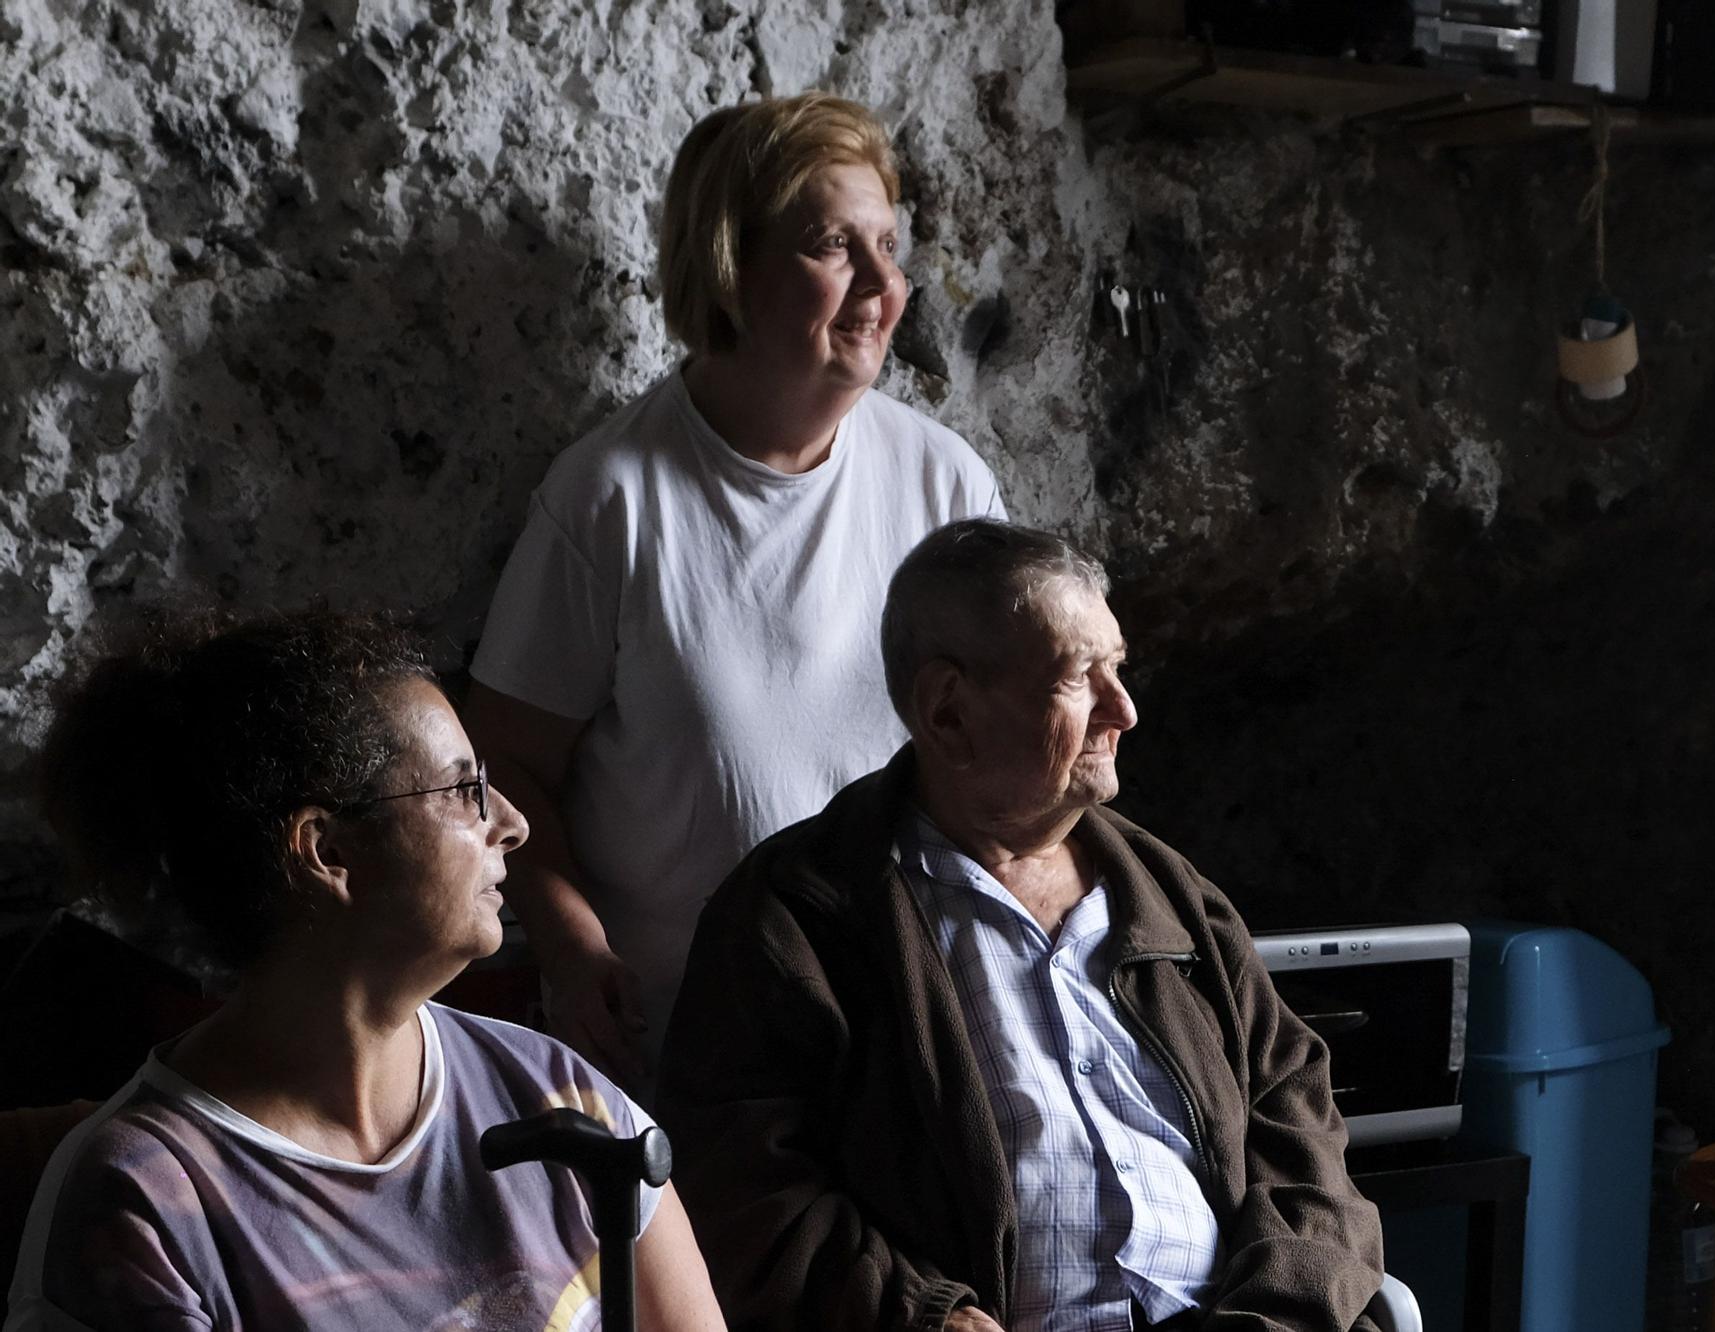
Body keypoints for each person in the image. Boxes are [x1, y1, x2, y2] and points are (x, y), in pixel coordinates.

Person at [658, 519, 1386, 1332]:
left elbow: (1299, 1126)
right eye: (1081, 678)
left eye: (1119, 669)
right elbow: (744, 1190)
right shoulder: (798, 916)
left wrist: (1273, 1316)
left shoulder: (1175, 899)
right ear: (948, 712)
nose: (1126, 711)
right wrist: (925, 1317)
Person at [467, 91, 1005, 1089]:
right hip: (693, 1046)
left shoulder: (944, 484)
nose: (883, 285)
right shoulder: (611, 498)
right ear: (729, 264)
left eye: (888, 244)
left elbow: (1008, 743)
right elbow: (504, 762)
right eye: (831, 245)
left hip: (910, 1028)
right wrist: (574, 949)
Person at [7, 610, 726, 1332]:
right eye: (461, 790)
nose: (512, 823)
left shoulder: (557, 1098)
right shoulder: (145, 1204)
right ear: (329, 852)